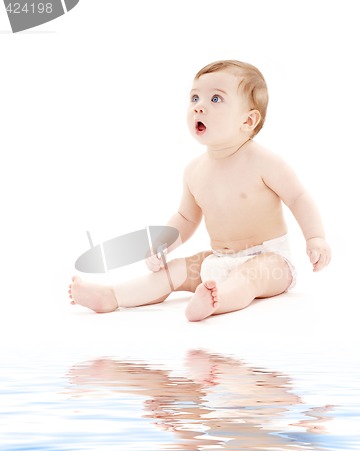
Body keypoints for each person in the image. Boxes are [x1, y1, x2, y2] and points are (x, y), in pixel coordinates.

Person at [69, 60, 331, 321]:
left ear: (248, 120)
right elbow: (186, 218)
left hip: (271, 260)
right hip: (217, 259)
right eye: (194, 98)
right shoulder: (195, 171)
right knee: (172, 272)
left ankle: (216, 302)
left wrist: (315, 237)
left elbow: (298, 198)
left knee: (250, 277)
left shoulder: (265, 162)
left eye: (216, 99)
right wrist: (162, 244)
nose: (199, 106)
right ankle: (113, 296)